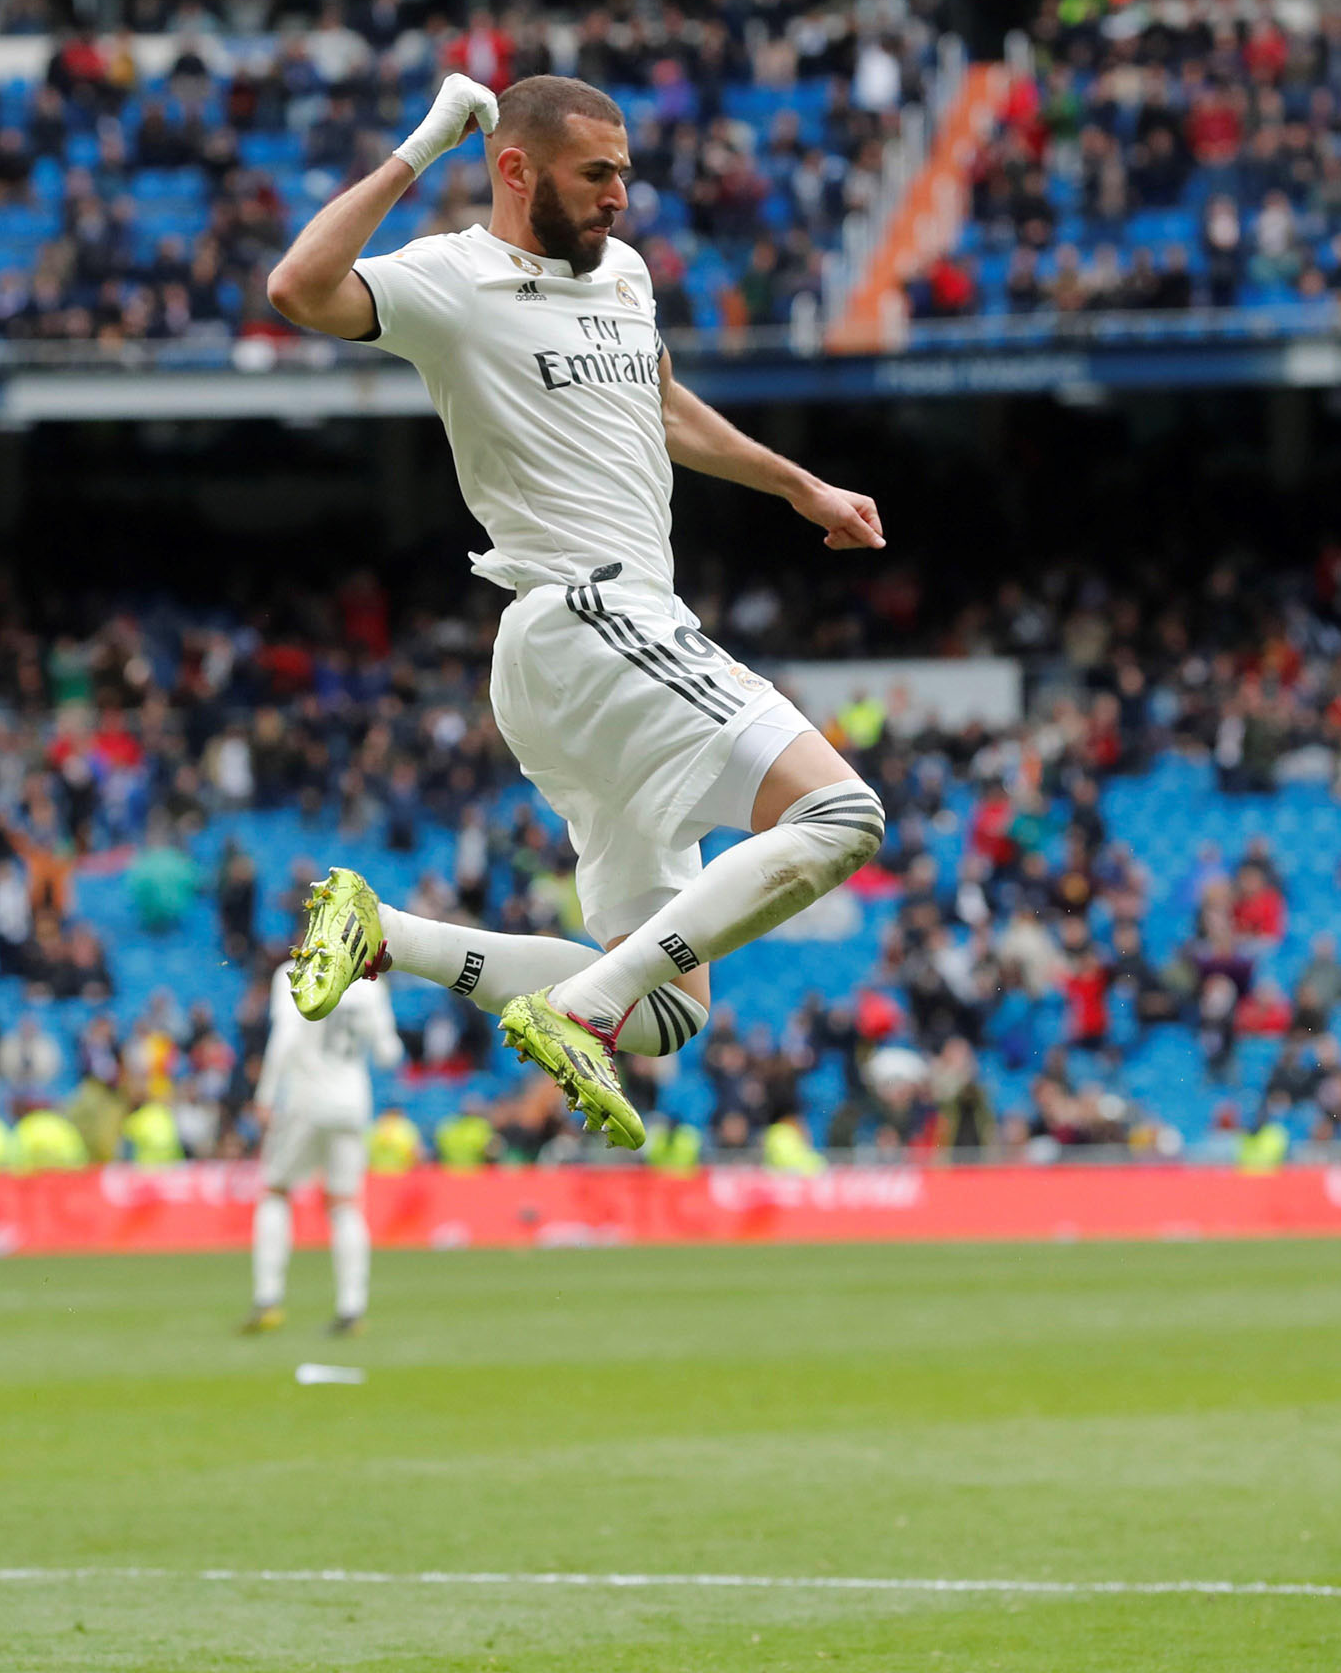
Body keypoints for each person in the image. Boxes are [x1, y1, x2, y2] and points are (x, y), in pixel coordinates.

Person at [265, 72, 886, 1146]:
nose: (619, 200)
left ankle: (393, 938)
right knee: (843, 816)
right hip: (590, 613)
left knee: (664, 1012)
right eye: (596, 176)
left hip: (584, 654)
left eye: (625, 177)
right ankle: (575, 1012)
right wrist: (423, 144)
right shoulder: (454, 277)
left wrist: (797, 485)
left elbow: (656, 406)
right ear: (513, 170)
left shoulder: (627, 277)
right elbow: (299, 289)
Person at [242, 959, 400, 1336]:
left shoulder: (294, 973)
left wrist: (265, 1095)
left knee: (276, 1191)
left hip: (305, 1101)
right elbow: (388, 1054)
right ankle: (352, 1307)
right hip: (351, 1104)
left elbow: (284, 1036)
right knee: (345, 1203)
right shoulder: (369, 986)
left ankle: (268, 1300)